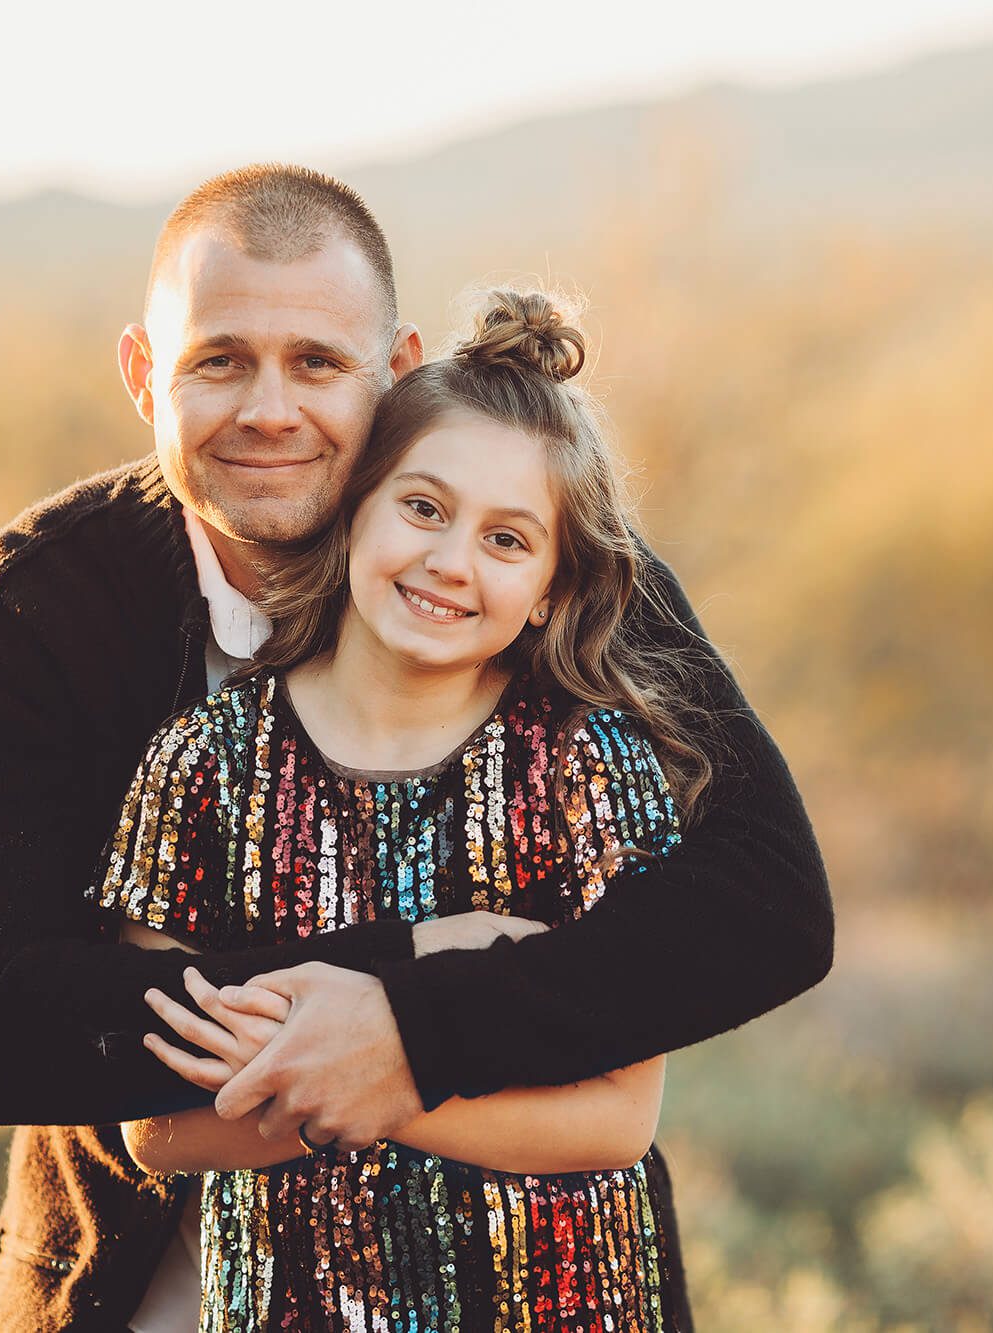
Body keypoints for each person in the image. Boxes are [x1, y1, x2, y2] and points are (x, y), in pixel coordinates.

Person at [0, 163, 832, 1332]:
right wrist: (416, 962)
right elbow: (2, 1022)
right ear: (145, 373)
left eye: (316, 363)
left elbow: (769, 905)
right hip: (160, 1277)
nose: (269, 411)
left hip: (532, 1280)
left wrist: (410, 1038)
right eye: (217, 360)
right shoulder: (37, 601)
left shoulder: (529, 565)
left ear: (391, 373)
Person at [95, 289, 698, 1330]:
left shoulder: (586, 764)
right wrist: (444, 979)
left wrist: (368, 1075)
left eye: (508, 541)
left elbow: (616, 1114)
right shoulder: (203, 764)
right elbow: (159, 1127)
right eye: (422, 507)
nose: (450, 561)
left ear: (551, 588)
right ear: (357, 505)